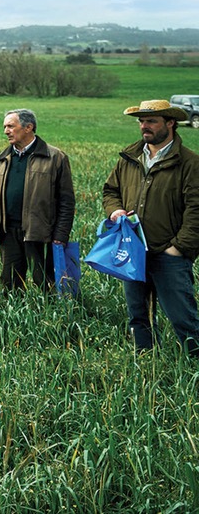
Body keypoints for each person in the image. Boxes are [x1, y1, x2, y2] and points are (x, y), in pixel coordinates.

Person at [103, 99, 199, 355]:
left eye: (151, 121)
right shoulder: (129, 158)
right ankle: (145, 358)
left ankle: (193, 366)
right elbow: (111, 190)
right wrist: (115, 211)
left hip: (169, 255)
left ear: (170, 123)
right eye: (141, 121)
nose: (144, 126)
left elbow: (196, 211)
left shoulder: (190, 163)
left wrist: (178, 248)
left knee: (183, 318)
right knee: (137, 314)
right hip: (133, 250)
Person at [0, 109, 75, 291]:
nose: (6, 131)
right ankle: (13, 318)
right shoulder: (1, 160)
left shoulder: (55, 157)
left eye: (10, 126)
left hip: (41, 233)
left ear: (28, 127)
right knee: (10, 283)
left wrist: (61, 234)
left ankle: (48, 318)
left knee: (45, 283)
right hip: (8, 232)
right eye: (4, 127)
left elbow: (66, 201)